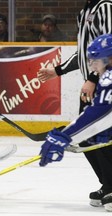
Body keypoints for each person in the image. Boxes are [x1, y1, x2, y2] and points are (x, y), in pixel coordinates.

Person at [37, 0, 112, 208]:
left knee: (102, 137)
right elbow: (87, 52)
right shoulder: (85, 11)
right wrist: (58, 70)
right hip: (94, 82)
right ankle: (108, 185)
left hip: (103, 82)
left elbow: (109, 47)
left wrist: (94, 78)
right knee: (88, 140)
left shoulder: (105, 7)